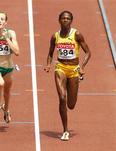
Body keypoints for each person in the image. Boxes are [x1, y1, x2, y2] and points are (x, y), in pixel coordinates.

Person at [44, 11, 91, 140]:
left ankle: (76, 85)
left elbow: (88, 52)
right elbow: (50, 53)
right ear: (59, 20)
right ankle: (65, 131)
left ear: (71, 20)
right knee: (62, 98)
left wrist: (82, 67)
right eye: (63, 18)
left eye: (68, 18)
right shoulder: (55, 36)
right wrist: (48, 65)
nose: (65, 20)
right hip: (60, 67)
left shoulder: (77, 34)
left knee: (71, 104)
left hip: (74, 69)